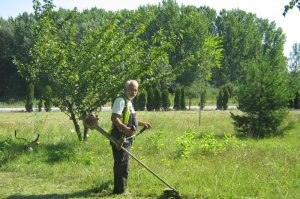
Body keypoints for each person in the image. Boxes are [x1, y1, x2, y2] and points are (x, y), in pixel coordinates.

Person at [110, 80, 152, 194]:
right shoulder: (120, 100)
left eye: (136, 90)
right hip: (119, 137)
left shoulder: (128, 102)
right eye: (132, 89)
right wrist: (125, 129)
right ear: (126, 89)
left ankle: (121, 189)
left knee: (124, 163)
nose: (134, 92)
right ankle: (119, 191)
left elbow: (129, 119)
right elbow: (114, 118)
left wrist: (143, 124)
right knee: (121, 164)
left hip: (126, 138)